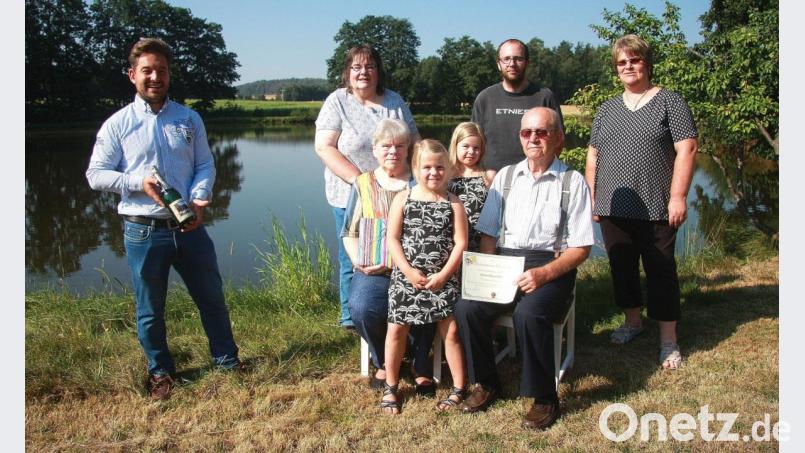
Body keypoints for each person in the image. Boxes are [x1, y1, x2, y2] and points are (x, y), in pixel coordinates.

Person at [85, 38, 242, 401]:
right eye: (147, 70)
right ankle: (161, 373)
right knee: (150, 310)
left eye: (162, 70)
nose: (155, 77)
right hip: (143, 230)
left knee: (213, 300)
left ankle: (227, 362)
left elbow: (205, 163)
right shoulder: (117, 124)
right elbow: (96, 175)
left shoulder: (188, 118)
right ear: (132, 75)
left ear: (170, 75)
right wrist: (137, 182)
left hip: (190, 228)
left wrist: (201, 197)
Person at [455, 107, 593, 430]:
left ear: (558, 138)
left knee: (528, 314)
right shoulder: (504, 177)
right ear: (520, 137)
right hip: (506, 263)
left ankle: (546, 397)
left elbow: (582, 247)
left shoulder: (572, 182)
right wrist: (487, 272)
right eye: (526, 133)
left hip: (552, 266)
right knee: (467, 307)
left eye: (541, 132)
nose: (533, 138)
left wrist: (544, 274)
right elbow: (489, 232)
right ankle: (487, 383)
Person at [584, 35, 698, 370]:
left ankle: (668, 340)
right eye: (622, 62)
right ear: (615, 69)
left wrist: (677, 196)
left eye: (634, 60)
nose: (629, 67)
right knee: (621, 266)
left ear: (646, 63)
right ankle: (633, 322)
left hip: (656, 205)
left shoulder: (669, 102)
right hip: (610, 205)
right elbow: (593, 156)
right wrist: (591, 197)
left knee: (661, 271)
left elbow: (687, 149)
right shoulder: (606, 109)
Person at [315, 44, 420, 331]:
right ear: (347, 72)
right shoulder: (337, 102)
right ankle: (352, 319)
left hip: (398, 192)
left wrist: (428, 176)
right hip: (350, 193)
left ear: (378, 71)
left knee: (397, 252)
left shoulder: (394, 101)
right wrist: (361, 183)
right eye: (356, 67)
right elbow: (324, 147)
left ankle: (393, 309)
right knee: (354, 256)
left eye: (370, 66)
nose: (363, 72)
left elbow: (415, 141)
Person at [341, 118, 436, 393]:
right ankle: (383, 360)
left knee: (432, 296)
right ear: (375, 149)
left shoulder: (422, 180)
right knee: (360, 306)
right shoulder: (362, 183)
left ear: (409, 149)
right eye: (386, 146)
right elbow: (349, 232)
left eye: (399, 146)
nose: (393, 152)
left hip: (417, 268)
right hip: (376, 270)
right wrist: (360, 261)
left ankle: (419, 362)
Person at [380, 139, 469, 414]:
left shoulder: (454, 203)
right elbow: (392, 239)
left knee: (451, 331)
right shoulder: (403, 199)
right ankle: (391, 388)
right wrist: (407, 271)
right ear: (416, 168)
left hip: (443, 280)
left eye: (440, 167)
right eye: (427, 167)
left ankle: (458, 388)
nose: (434, 172)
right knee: (396, 330)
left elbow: (460, 243)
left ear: (449, 168)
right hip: (406, 279)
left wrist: (444, 275)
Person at [471, 38, 564, 172]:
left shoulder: (545, 96)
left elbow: (558, 140)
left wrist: (540, 171)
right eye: (506, 59)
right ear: (499, 64)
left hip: (534, 178)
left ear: (527, 63)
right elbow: (473, 141)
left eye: (518, 59)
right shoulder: (485, 98)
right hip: (491, 182)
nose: (512, 64)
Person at [447, 122, 496, 252]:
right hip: (450, 243)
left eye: (476, 148)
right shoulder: (445, 175)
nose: (471, 152)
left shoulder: (488, 175)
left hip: (480, 244)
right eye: (466, 146)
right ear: (455, 145)